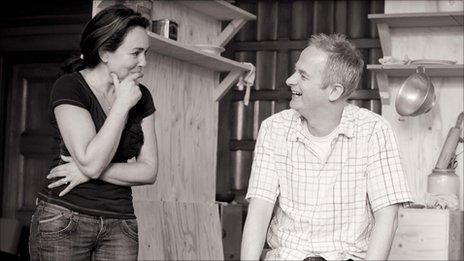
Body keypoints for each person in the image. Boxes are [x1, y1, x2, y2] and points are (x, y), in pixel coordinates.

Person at [241, 34, 413, 261]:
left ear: (334, 91)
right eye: (296, 71)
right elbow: (259, 211)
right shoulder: (274, 129)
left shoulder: (373, 130)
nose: (290, 80)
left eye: (303, 75)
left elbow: (387, 217)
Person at [29, 5, 158, 261]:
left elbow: (149, 170)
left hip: (121, 225)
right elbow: (91, 160)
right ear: (105, 53)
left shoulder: (142, 96)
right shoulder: (70, 87)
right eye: (136, 53)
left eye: (146, 52)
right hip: (65, 218)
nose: (144, 62)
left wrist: (85, 172)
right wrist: (121, 106)